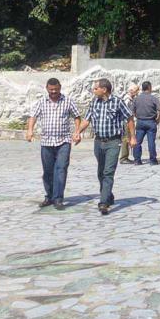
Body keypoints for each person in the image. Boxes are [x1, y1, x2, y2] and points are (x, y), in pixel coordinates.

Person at [73, 78, 136, 216]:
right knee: (101, 172)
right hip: (98, 142)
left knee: (108, 172)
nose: (93, 90)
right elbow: (86, 120)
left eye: (96, 88)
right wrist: (78, 132)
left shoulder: (117, 102)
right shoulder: (94, 102)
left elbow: (129, 118)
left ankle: (103, 202)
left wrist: (133, 137)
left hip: (113, 142)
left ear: (104, 89)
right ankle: (108, 195)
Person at [26, 78, 81, 209]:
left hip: (64, 141)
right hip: (46, 142)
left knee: (61, 169)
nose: (54, 92)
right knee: (48, 171)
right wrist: (30, 130)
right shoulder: (41, 102)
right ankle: (49, 196)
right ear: (47, 89)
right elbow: (33, 116)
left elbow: (77, 116)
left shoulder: (67, 101)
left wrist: (77, 132)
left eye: (56, 89)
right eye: (51, 90)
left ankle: (58, 198)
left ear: (60, 87)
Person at [132, 81, 160, 165]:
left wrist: (137, 117)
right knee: (151, 142)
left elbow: (132, 111)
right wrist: (158, 120)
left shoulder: (136, 98)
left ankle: (137, 160)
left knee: (137, 142)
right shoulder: (153, 98)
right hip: (151, 122)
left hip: (140, 122)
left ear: (142, 88)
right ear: (149, 87)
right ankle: (153, 160)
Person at [119, 83, 139, 163]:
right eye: (136, 91)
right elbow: (126, 112)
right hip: (126, 122)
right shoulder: (127, 99)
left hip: (127, 121)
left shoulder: (131, 99)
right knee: (126, 139)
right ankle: (124, 157)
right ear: (131, 91)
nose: (137, 92)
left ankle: (125, 156)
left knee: (127, 138)